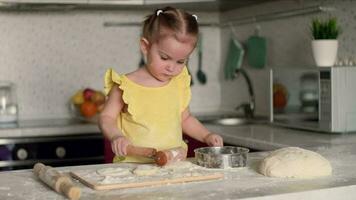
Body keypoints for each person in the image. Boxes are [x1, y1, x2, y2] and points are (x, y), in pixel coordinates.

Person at [99, 6, 223, 163]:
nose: (172, 67)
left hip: (173, 165)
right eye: (164, 58)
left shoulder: (178, 83)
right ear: (146, 46)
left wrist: (206, 135)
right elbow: (106, 117)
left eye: (181, 61)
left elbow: (185, 119)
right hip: (133, 169)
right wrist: (117, 136)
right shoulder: (125, 86)